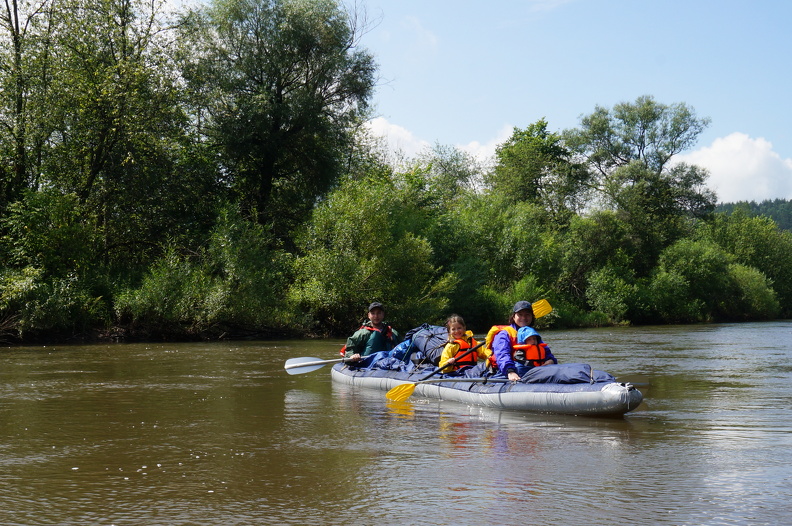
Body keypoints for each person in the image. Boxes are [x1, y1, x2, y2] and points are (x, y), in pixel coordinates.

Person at [485, 301, 557, 381]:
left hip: (532, 371)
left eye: (527, 315)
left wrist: (551, 360)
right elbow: (502, 354)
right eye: (520, 314)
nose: (523, 318)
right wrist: (510, 371)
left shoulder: (531, 334)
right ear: (513, 317)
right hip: (506, 372)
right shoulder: (504, 334)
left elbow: (545, 351)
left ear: (532, 317)